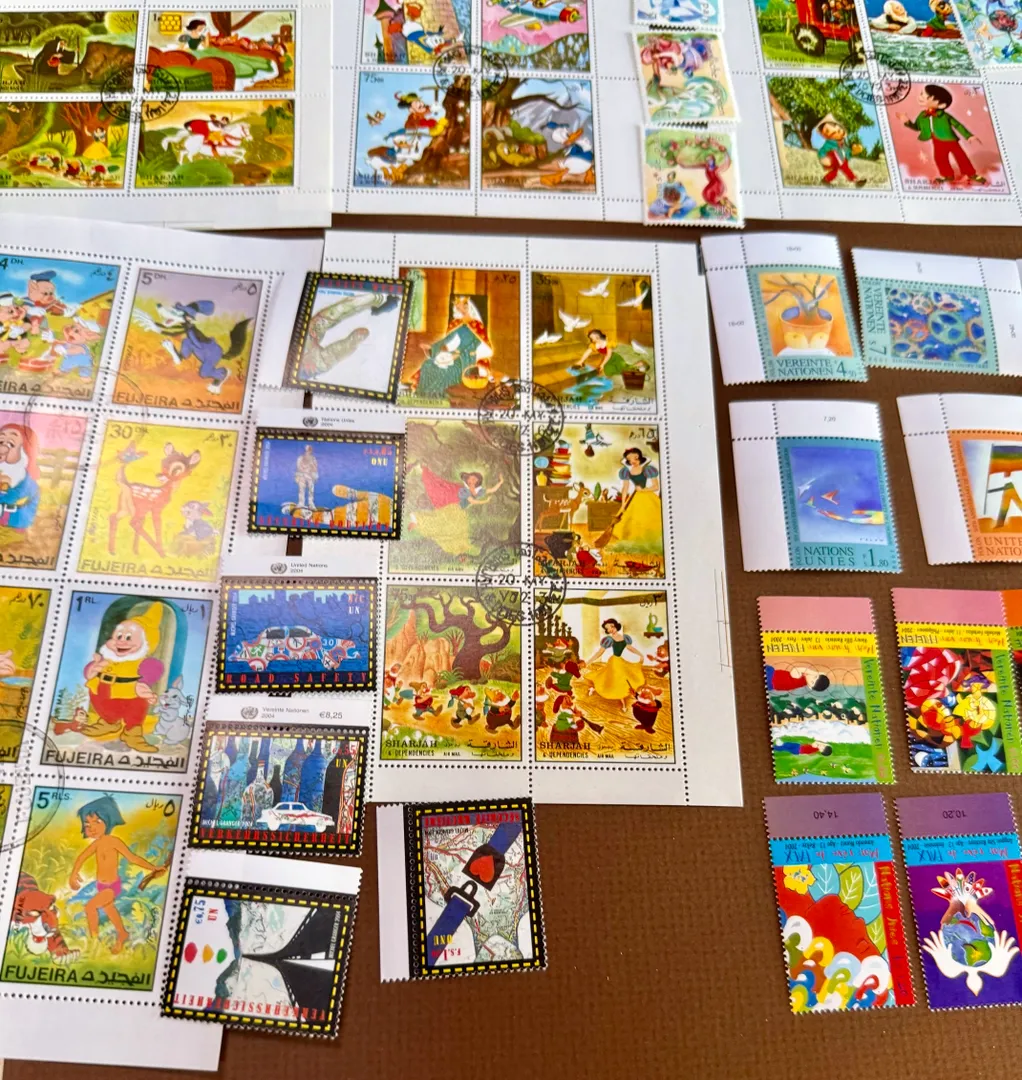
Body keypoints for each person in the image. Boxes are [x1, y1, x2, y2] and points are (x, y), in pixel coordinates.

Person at [69, 795, 168, 954]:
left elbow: (132, 858)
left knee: (90, 907)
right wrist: (73, 874)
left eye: (97, 822)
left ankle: (94, 940)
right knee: (110, 911)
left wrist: (154, 868)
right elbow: (81, 857)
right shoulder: (96, 844)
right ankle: (122, 933)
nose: (92, 827)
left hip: (111, 886)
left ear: (107, 821)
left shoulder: (114, 841)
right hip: (101, 886)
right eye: (87, 824)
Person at [78, 603, 164, 754]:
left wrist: (143, 683)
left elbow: (155, 668)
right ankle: (108, 723)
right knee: (103, 707)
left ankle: (132, 733)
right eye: (118, 636)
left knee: (135, 710)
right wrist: (92, 669)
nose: (121, 641)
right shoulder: (107, 657)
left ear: (145, 642)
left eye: (129, 638)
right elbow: (90, 669)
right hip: (102, 691)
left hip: (128, 694)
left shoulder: (141, 661)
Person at [897, 84, 987, 185]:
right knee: (940, 159)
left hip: (950, 140)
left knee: (961, 157)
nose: (921, 97)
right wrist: (907, 122)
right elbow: (917, 127)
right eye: (922, 94)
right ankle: (947, 175)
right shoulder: (922, 115)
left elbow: (957, 125)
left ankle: (971, 174)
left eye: (927, 97)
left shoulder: (945, 116)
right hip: (937, 142)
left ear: (941, 105)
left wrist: (969, 136)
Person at [604, 447, 663, 554]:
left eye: (635, 458)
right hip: (634, 497)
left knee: (647, 518)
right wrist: (623, 504)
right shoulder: (626, 471)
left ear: (639, 457)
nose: (633, 461)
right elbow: (625, 488)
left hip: (647, 496)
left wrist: (643, 490)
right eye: (630, 459)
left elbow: (656, 486)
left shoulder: (648, 469)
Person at [585, 617, 646, 713]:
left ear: (615, 626)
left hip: (620, 661)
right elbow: (599, 652)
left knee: (623, 680)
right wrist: (588, 661)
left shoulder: (625, 638)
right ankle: (621, 703)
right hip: (614, 662)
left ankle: (622, 703)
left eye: (611, 626)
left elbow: (630, 648)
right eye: (608, 628)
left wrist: (640, 655)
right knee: (614, 682)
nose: (610, 629)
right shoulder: (609, 639)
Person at [0, 423, 40, 530]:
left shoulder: (26, 483)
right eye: (1, 442)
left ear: (24, 451)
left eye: (11, 444)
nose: (2, 449)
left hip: (13, 525)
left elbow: (10, 498)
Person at [816, 117, 865, 187]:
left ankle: (826, 180)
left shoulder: (842, 143)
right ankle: (855, 180)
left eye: (838, 130)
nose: (836, 132)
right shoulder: (829, 143)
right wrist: (823, 158)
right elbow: (822, 151)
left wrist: (853, 151)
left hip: (840, 159)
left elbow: (846, 151)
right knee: (844, 168)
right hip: (833, 159)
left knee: (835, 171)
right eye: (828, 131)